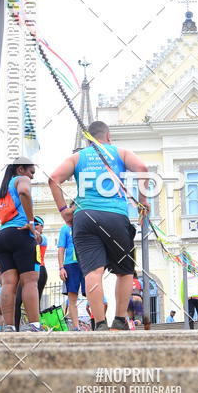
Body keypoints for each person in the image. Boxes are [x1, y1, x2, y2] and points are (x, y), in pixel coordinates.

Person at [49, 120, 149, 332]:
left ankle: (101, 324)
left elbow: (54, 178)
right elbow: (142, 168)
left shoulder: (79, 157)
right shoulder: (119, 153)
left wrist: (63, 211)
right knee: (124, 271)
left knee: (93, 272)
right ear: (108, 137)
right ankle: (120, 320)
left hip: (85, 217)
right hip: (115, 216)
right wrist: (143, 200)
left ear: (88, 140)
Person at [0, 157, 42, 332]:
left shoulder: (2, 192)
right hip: (20, 233)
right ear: (21, 169)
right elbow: (24, 192)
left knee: (8, 283)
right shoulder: (20, 180)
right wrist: (31, 222)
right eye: (31, 172)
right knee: (30, 281)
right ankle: (34, 325)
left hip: (3, 236)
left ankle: (9, 327)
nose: (31, 177)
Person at [15, 216, 48, 331]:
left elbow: (37, 237)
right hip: (25, 272)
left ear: (42, 227)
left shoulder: (42, 237)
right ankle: (15, 329)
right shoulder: (26, 237)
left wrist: (30, 227)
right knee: (17, 301)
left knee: (35, 302)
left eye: (37, 224)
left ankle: (35, 326)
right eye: (33, 223)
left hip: (40, 271)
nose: (34, 225)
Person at [58, 209, 85, 331]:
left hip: (86, 264)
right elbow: (61, 249)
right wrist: (61, 267)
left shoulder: (85, 226)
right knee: (72, 298)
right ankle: (76, 327)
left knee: (92, 293)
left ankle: (99, 322)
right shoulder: (65, 229)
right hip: (70, 265)